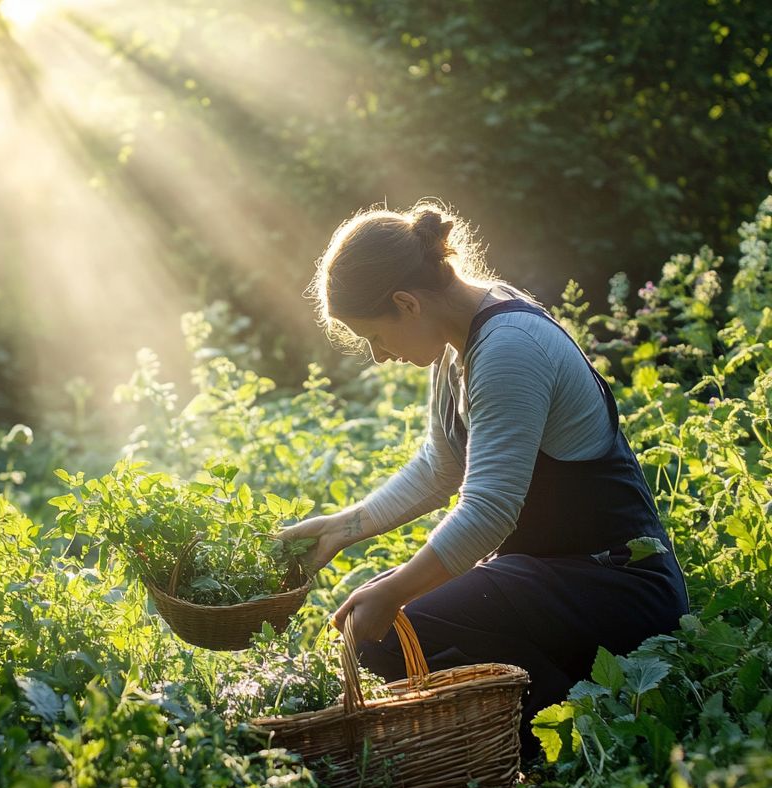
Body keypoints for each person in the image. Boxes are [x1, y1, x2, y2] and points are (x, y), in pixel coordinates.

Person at [280, 201, 689, 755]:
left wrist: (394, 592)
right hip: (553, 575)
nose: (378, 356)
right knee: (399, 616)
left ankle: (575, 733)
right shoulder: (460, 343)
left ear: (406, 303)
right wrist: (342, 528)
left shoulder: (508, 348)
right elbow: (440, 466)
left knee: (386, 636)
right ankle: (562, 709)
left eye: (374, 336)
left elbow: (488, 510)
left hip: (618, 586)